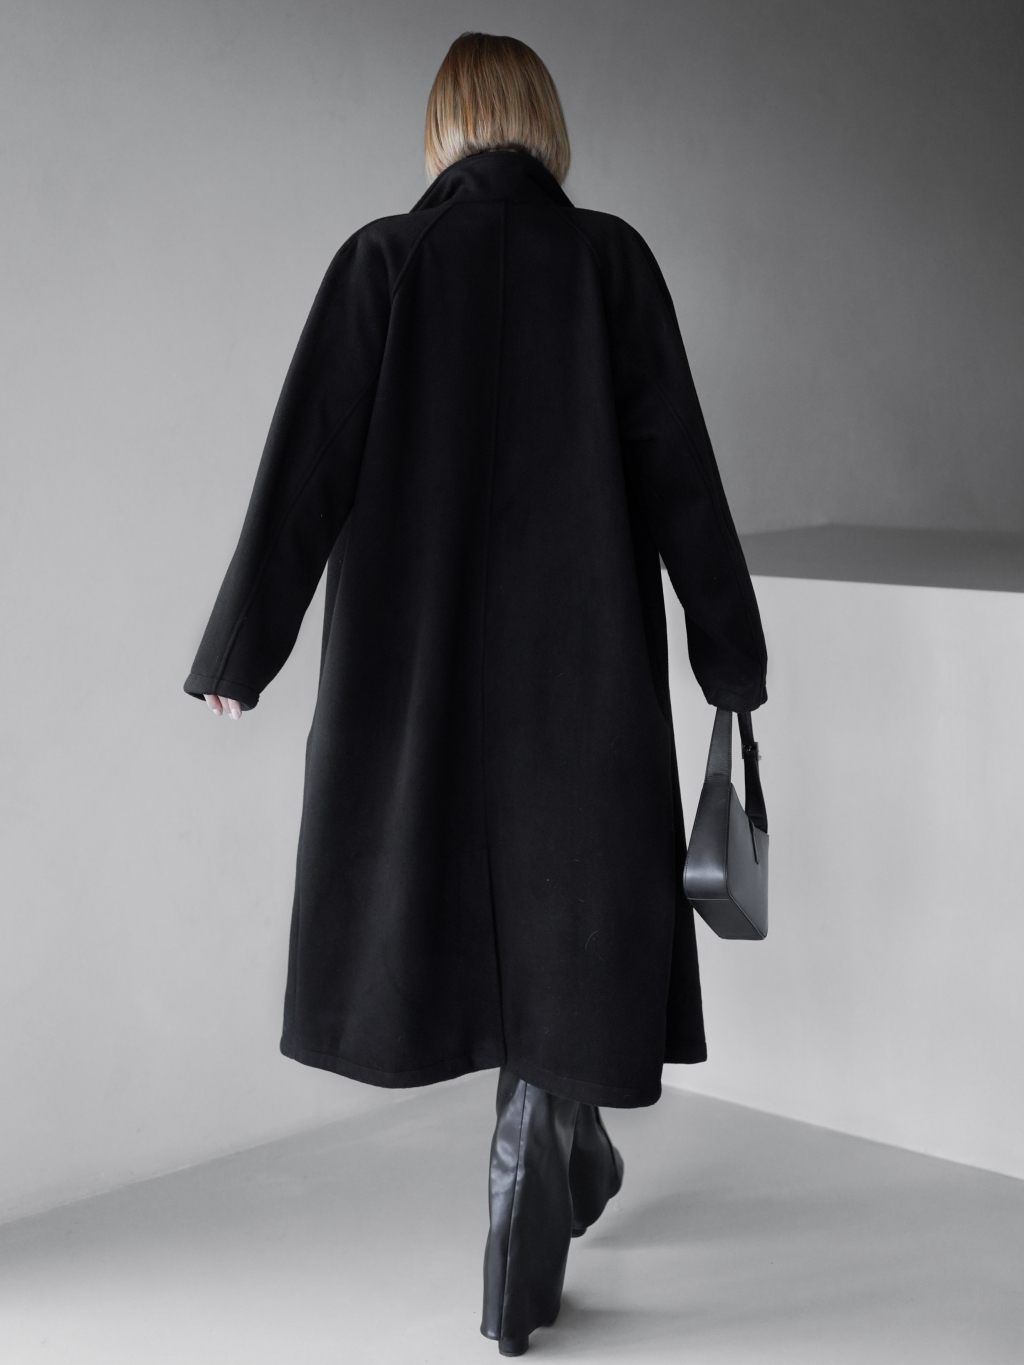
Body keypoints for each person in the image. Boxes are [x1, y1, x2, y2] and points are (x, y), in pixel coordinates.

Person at [184, 31, 767, 1357]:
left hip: (421, 673)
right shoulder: (612, 264)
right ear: (544, 124)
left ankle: (539, 1167)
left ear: (444, 128)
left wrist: (241, 653)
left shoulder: (383, 262)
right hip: (586, 674)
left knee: (470, 907)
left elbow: (307, 467)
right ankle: (545, 1155)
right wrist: (730, 658)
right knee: (571, 920)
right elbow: (682, 478)